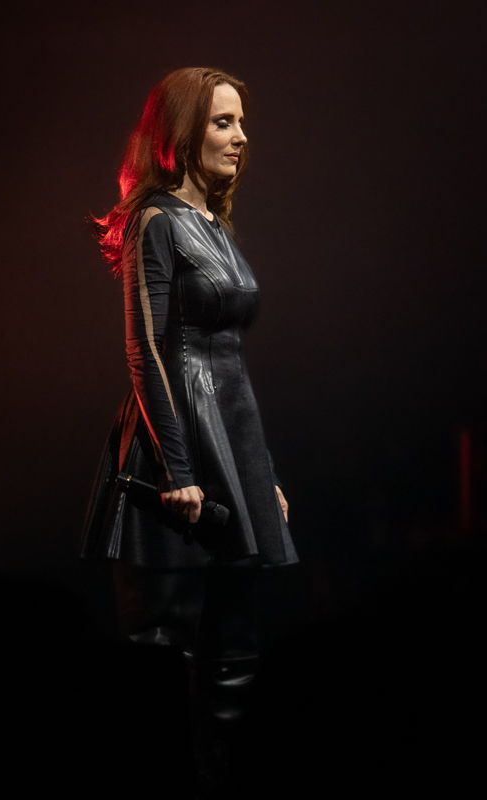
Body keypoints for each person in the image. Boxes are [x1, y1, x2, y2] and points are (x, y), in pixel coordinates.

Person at [80, 67, 297, 799]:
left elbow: (230, 368)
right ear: (179, 133)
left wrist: (259, 473)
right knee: (162, 660)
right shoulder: (156, 220)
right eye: (222, 122)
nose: (241, 137)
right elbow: (146, 350)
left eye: (241, 122)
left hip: (229, 446)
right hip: (173, 447)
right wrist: (178, 472)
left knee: (235, 654)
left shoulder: (213, 226)